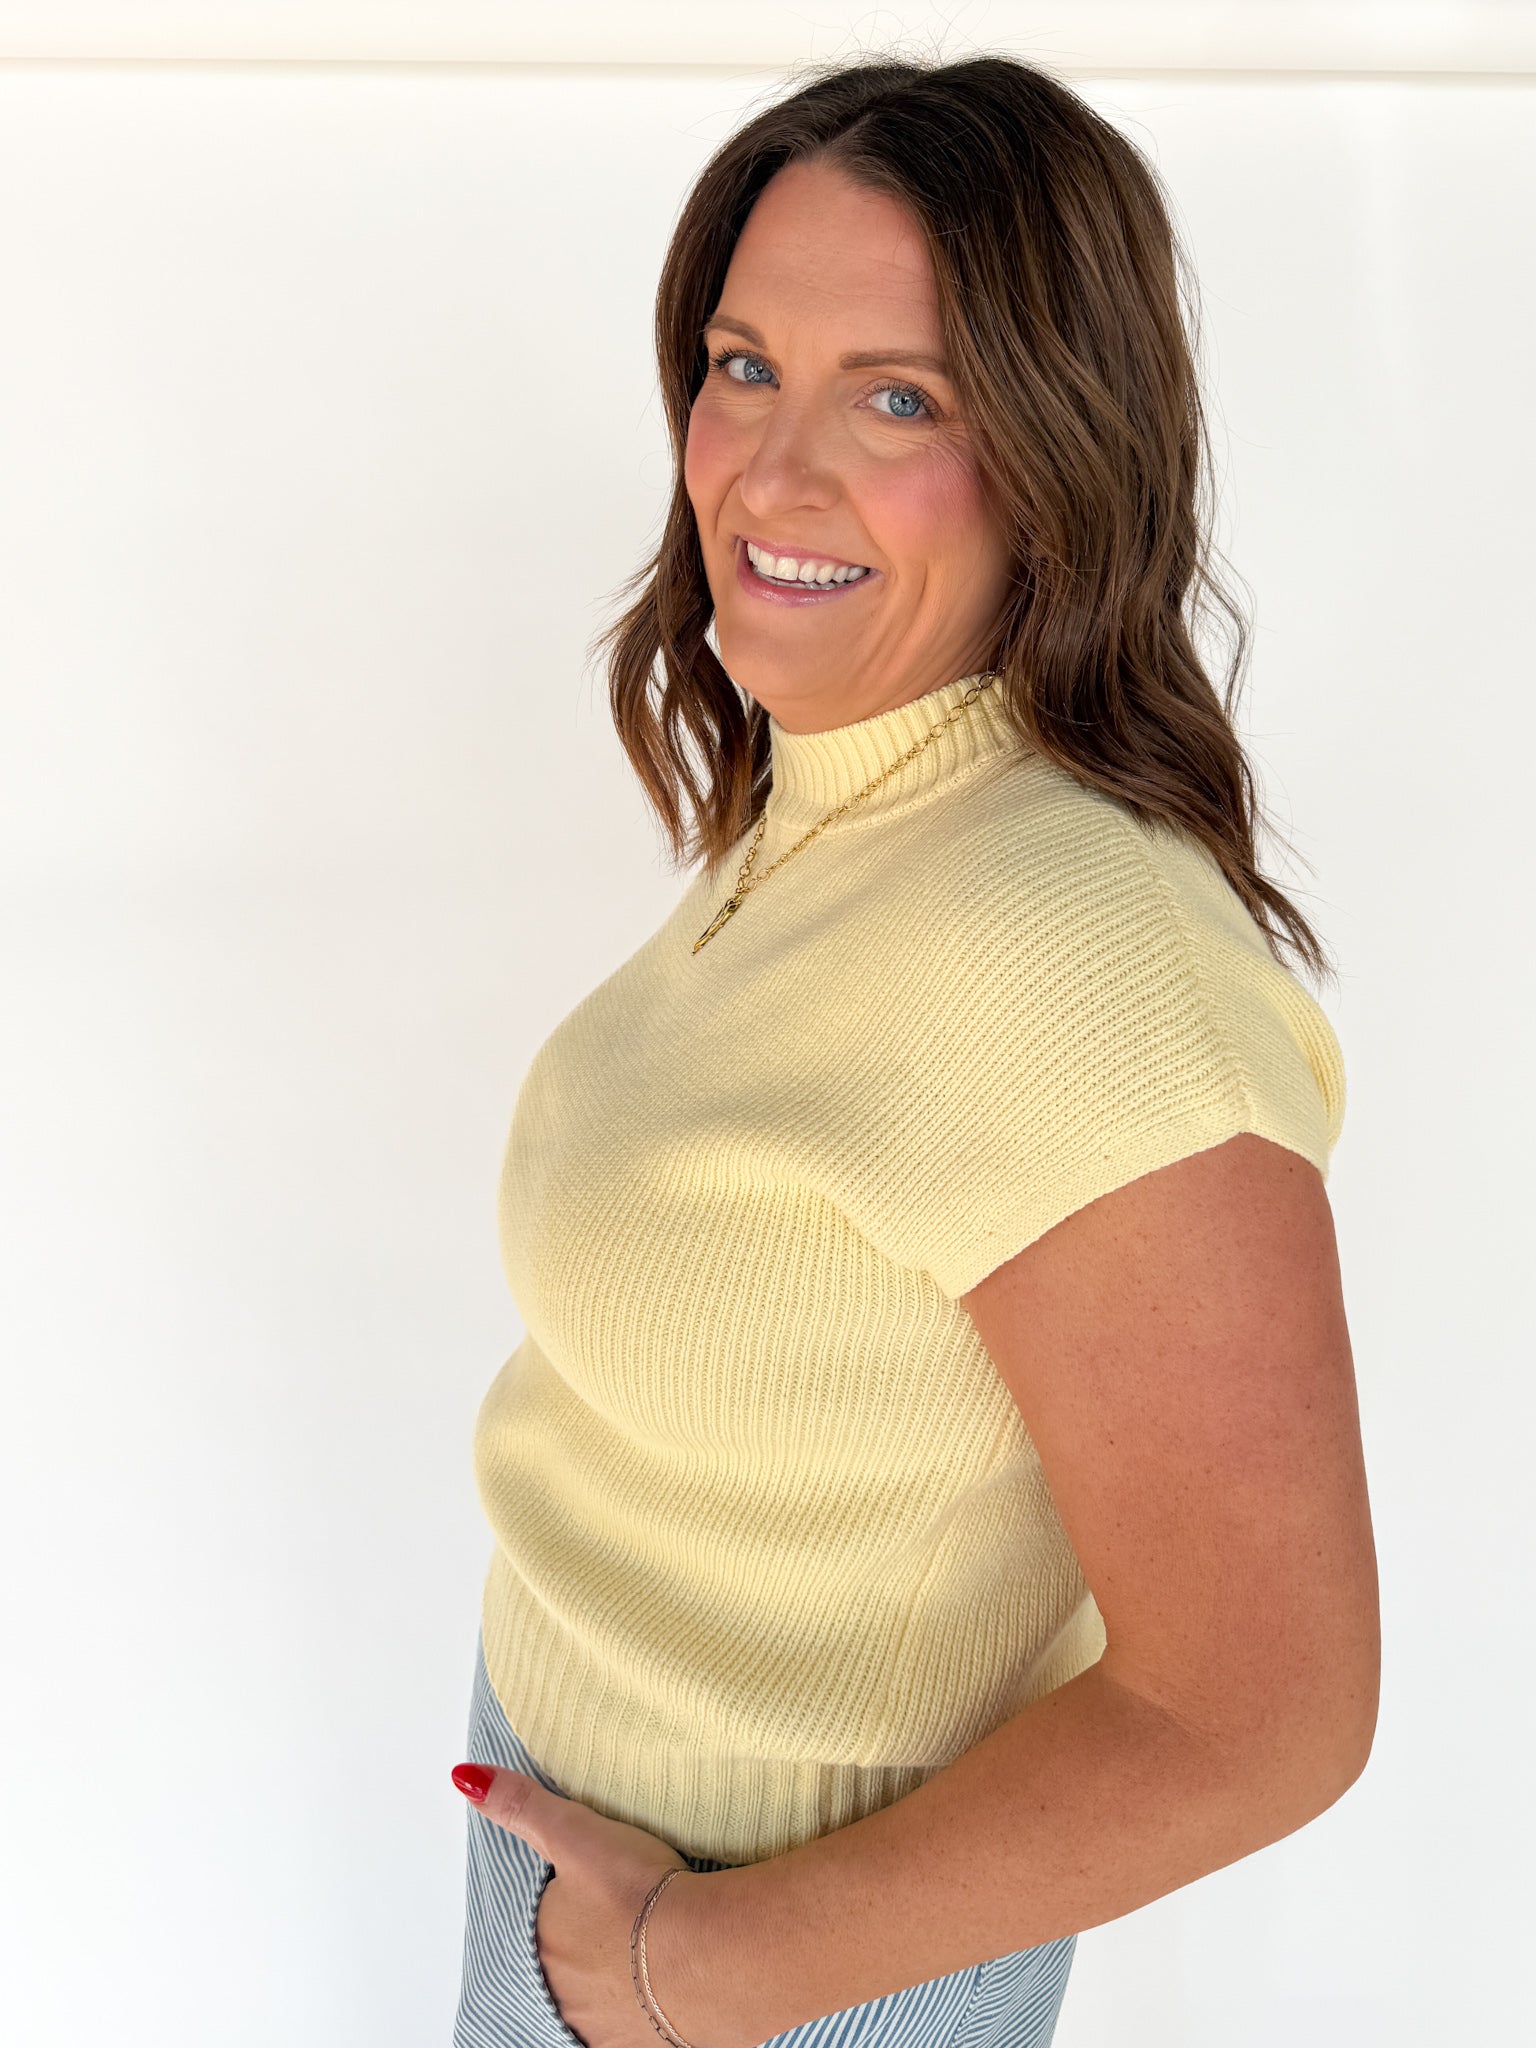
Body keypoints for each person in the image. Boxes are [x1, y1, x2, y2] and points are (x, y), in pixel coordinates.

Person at [449, 50, 1380, 2048]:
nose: (769, 472)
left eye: (899, 397)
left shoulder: (1082, 957)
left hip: (772, 1953)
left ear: (1063, 444)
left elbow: (1265, 1709)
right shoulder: (855, 792)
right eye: (743, 365)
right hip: (601, 1860)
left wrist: (689, 1973)